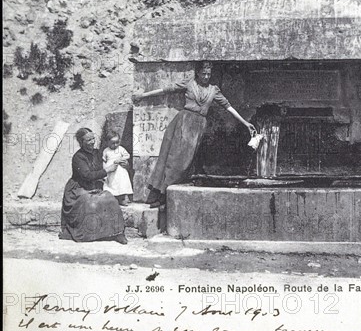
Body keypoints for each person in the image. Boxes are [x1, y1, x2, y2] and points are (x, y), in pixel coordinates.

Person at [132, 61, 256, 208]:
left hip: (198, 126)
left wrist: (245, 122)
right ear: (198, 73)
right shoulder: (189, 84)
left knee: (185, 162)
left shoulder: (214, 90)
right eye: (203, 73)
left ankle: (166, 194)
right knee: (172, 157)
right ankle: (160, 195)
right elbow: (167, 90)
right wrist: (143, 95)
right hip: (183, 121)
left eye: (209, 74)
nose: (206, 77)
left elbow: (228, 107)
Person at [60, 127, 128, 244]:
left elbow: (109, 162)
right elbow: (87, 176)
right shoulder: (78, 157)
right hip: (78, 188)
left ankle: (117, 233)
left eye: (93, 138)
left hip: (94, 185)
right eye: (88, 140)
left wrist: (123, 163)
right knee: (89, 203)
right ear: (81, 142)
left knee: (110, 199)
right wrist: (106, 171)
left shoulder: (97, 153)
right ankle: (90, 235)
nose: (92, 142)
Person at [103, 131, 133, 206]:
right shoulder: (106, 150)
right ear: (107, 142)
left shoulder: (120, 149)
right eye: (113, 143)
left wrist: (121, 159)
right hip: (111, 171)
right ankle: (114, 199)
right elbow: (104, 160)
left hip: (120, 171)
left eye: (117, 142)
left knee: (122, 184)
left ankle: (123, 198)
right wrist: (105, 170)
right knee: (112, 184)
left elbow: (127, 155)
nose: (115, 145)